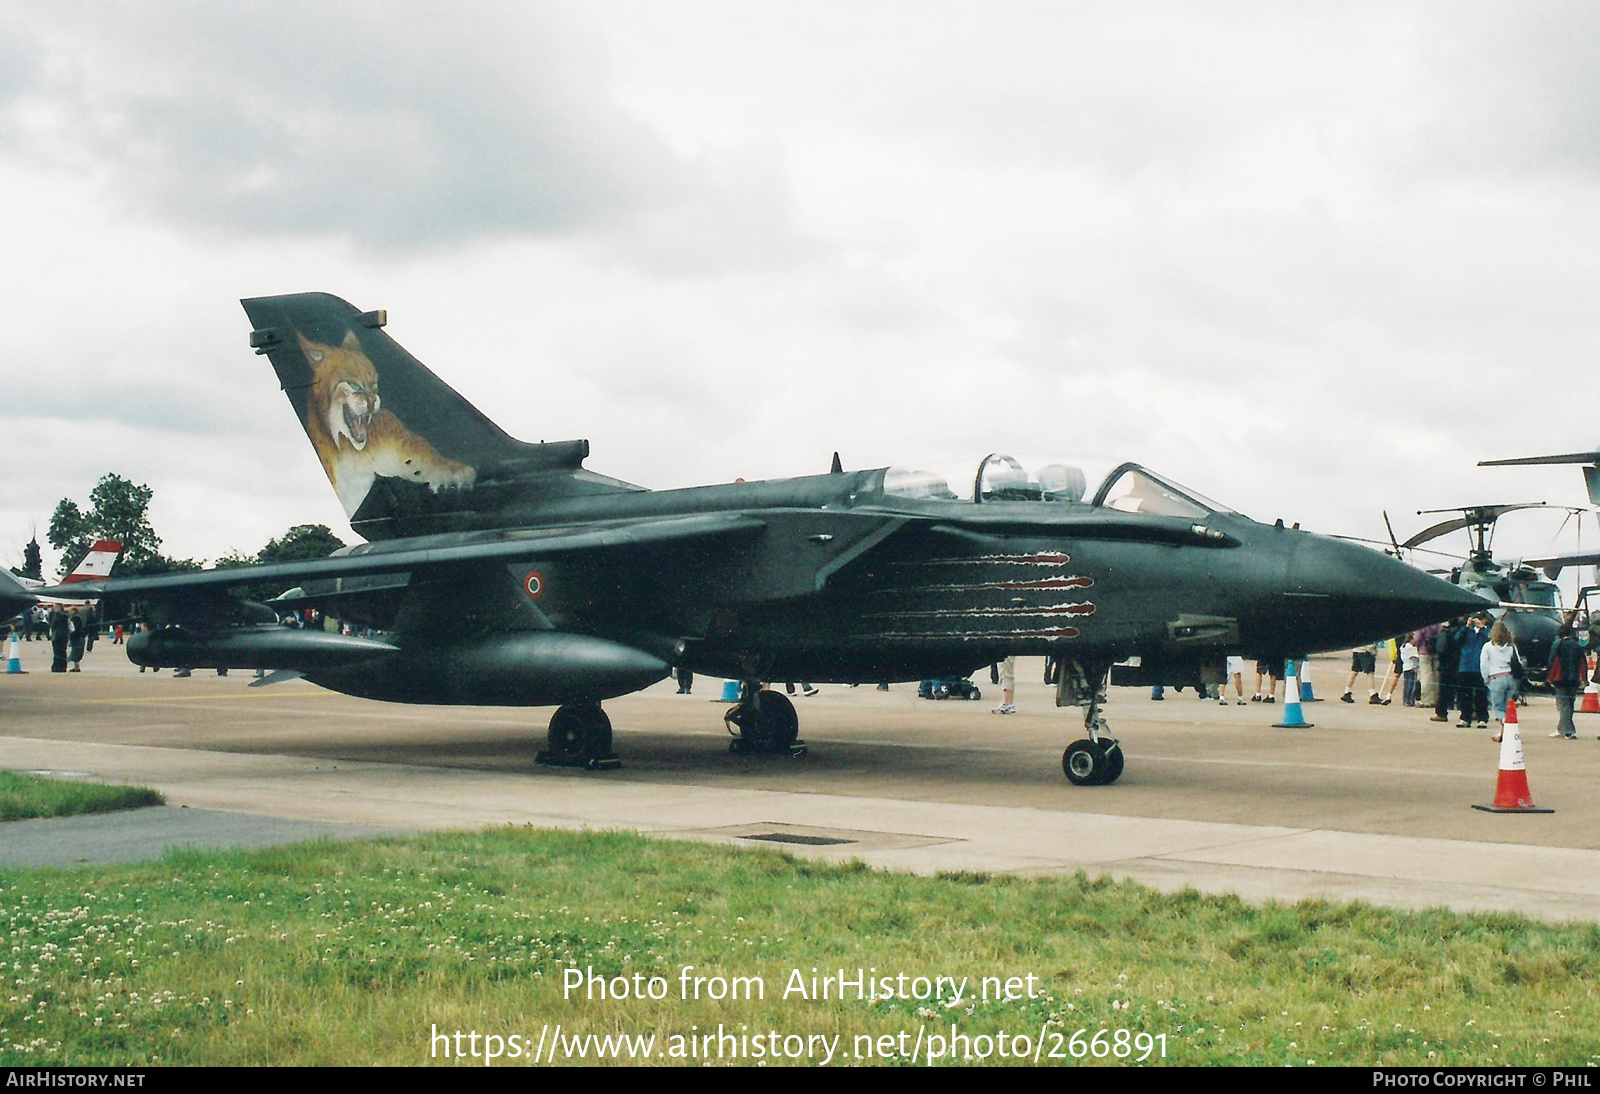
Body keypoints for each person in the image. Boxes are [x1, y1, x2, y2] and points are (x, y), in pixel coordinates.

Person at [1547, 621, 1587, 740]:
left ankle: (1569, 731)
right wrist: (1584, 678)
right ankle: (1561, 728)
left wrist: (1549, 678)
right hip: (1574, 679)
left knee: (1563, 705)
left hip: (1560, 678)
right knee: (1569, 704)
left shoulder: (1558, 644)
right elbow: (1583, 664)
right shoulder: (1577, 645)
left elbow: (1554, 662)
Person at [1480, 619, 1519, 740]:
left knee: (1498, 707)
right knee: (1508, 706)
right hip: (1509, 677)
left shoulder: (1488, 646)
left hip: (1496, 677)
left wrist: (1485, 679)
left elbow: (1484, 665)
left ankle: (1504, 725)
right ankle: (1504, 732)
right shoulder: (1511, 646)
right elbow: (1518, 661)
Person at [1455, 614, 1491, 729]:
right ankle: (1465, 718)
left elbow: (1490, 641)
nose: (1478, 621)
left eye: (1480, 619)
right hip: (1466, 666)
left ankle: (1482, 718)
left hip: (1480, 667)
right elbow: (1457, 640)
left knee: (1481, 694)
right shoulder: (1467, 631)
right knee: (1465, 694)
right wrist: (1466, 627)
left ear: (1485, 620)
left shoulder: (1487, 632)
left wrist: (1482, 629)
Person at [48, 607, 69, 673]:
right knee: (63, 651)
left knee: (57, 652)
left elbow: (53, 625)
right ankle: (63, 666)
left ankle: (56, 666)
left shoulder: (56, 615)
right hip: (64, 635)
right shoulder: (66, 616)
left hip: (57, 636)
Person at [66, 606, 85, 672]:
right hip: (79, 636)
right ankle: (76, 666)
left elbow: (73, 629)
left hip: (76, 637)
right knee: (77, 651)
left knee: (76, 651)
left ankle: (76, 666)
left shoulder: (74, 618)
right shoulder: (78, 617)